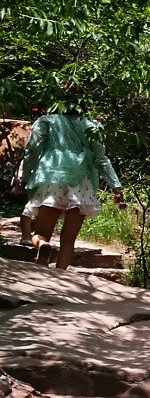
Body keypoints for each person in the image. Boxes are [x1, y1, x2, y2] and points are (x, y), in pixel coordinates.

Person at [16, 99, 124, 270]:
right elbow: (101, 158)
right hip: (81, 183)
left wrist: (25, 177)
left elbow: (32, 149)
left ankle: (43, 247)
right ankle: (60, 276)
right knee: (68, 239)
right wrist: (115, 187)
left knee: (41, 234)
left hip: (51, 178)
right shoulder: (92, 125)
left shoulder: (46, 121)